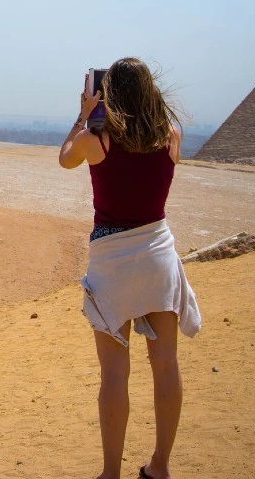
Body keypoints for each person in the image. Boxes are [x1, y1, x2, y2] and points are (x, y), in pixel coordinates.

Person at [58, 58, 201, 479]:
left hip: (113, 261)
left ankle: (110, 473)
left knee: (115, 373)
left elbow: (65, 159)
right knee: (166, 364)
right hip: (158, 255)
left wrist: (83, 116)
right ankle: (160, 466)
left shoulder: (95, 140)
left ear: (109, 93)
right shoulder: (172, 136)